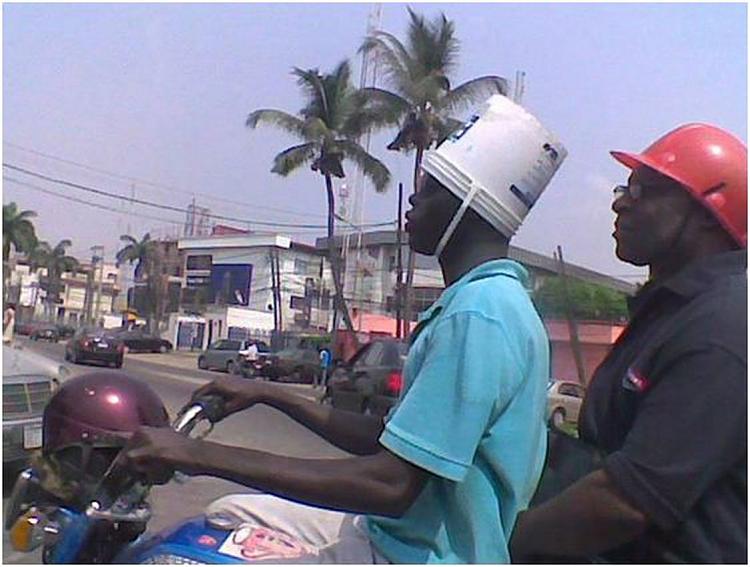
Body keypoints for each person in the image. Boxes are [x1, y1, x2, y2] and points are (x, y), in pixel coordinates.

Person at [123, 95, 567, 564]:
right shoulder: (489, 302)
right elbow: (392, 442)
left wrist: (196, 456)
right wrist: (267, 394)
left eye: (432, 188)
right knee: (226, 514)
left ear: (468, 207)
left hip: (415, 555)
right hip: (396, 536)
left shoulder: (479, 316)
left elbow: (391, 484)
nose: (414, 197)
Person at [510, 123, 747, 563]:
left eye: (644, 191)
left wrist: (495, 546)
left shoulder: (725, 325)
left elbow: (625, 501)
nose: (619, 202)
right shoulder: (670, 310)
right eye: (625, 187)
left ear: (705, 211)